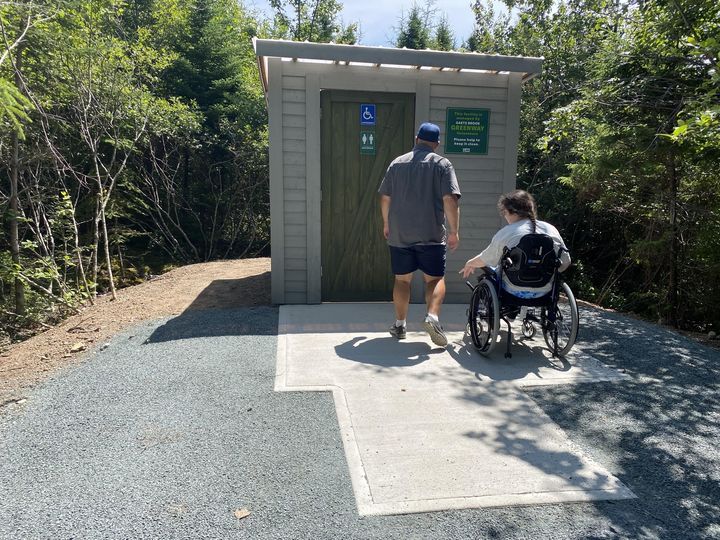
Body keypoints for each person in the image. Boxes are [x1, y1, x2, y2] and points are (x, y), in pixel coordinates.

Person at [378, 122, 461, 347]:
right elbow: (450, 200)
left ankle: (399, 325)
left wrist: (387, 223)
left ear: (416, 139)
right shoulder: (442, 164)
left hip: (400, 233)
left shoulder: (397, 163)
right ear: (436, 144)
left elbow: (385, 197)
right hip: (431, 233)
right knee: (434, 279)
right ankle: (432, 318)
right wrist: (454, 231)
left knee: (402, 280)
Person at [460, 190, 570, 298]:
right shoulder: (551, 229)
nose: (504, 216)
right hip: (546, 289)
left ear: (512, 212)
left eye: (504, 213)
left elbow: (488, 258)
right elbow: (566, 261)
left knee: (489, 274)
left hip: (513, 289)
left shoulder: (507, 232)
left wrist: (471, 263)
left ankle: (511, 311)